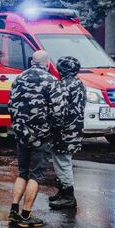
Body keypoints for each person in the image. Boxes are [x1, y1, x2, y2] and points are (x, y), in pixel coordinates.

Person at [8, 50, 64, 228]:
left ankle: (13, 211)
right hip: (41, 134)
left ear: (32, 61)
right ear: (47, 63)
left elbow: (11, 105)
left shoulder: (18, 79)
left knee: (22, 173)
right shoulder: (51, 81)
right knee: (35, 175)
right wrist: (54, 131)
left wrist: (18, 126)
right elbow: (58, 111)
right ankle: (26, 216)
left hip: (21, 133)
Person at [49, 56, 86, 210]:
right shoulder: (79, 83)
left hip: (64, 130)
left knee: (62, 162)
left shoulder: (64, 84)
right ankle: (63, 192)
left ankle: (68, 196)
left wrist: (53, 128)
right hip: (75, 128)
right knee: (64, 160)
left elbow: (59, 110)